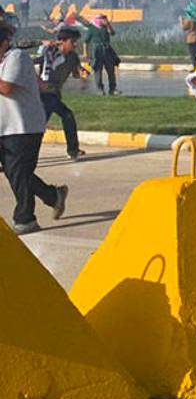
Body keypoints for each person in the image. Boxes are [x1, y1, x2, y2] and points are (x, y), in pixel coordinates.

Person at [0, 25, 68, 234]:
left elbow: (6, 88)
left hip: (23, 127)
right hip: (4, 128)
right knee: (17, 173)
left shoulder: (16, 57)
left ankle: (25, 218)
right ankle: (52, 195)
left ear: (3, 42)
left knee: (18, 173)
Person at [39, 27, 86, 161]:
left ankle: (73, 150)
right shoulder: (52, 52)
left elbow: (76, 74)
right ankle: (73, 150)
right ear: (63, 41)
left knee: (40, 126)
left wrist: (81, 73)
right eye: (73, 41)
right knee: (67, 115)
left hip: (54, 94)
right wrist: (45, 86)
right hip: (44, 93)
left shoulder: (73, 57)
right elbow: (46, 71)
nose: (75, 44)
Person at [81, 14, 120, 95]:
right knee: (98, 70)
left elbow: (112, 33)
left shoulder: (105, 27)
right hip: (97, 50)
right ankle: (100, 89)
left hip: (107, 49)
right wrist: (85, 53)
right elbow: (86, 42)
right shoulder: (92, 28)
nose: (104, 20)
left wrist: (108, 24)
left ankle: (112, 89)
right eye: (102, 19)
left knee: (110, 69)